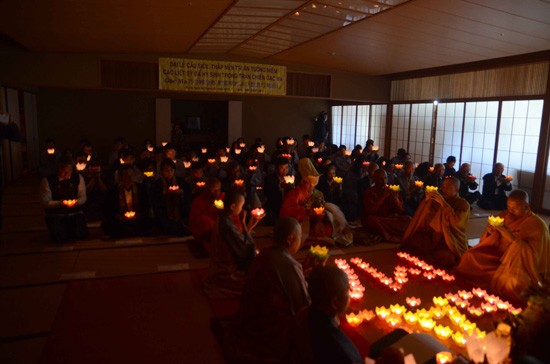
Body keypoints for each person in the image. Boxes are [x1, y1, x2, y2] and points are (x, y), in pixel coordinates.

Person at [225, 216, 310, 363]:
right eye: (299, 236)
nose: (301, 240)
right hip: (269, 333)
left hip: (249, 324)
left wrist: (304, 273)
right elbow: (302, 305)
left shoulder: (264, 253)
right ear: (289, 239)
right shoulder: (289, 265)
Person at [455, 190, 549, 302]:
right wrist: (490, 232)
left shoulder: (537, 225)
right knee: (469, 256)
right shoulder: (505, 215)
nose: (510, 211)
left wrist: (511, 238)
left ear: (526, 207)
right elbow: (488, 242)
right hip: (497, 255)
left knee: (512, 282)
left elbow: (534, 257)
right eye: (509, 207)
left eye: (514, 208)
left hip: (518, 264)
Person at [290, 266, 362, 364]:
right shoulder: (339, 348)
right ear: (335, 303)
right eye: (348, 291)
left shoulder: (303, 314)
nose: (350, 296)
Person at [204, 190, 263, 299]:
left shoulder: (224, 218)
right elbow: (246, 248)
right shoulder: (226, 224)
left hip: (220, 266)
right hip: (227, 272)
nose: (242, 209)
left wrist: (248, 225)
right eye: (241, 206)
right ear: (232, 207)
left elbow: (240, 242)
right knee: (259, 282)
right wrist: (245, 225)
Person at [401, 177, 469, 267]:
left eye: (448, 187)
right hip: (433, 238)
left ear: (457, 189)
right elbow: (425, 219)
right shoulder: (438, 200)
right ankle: (432, 253)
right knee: (413, 239)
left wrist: (443, 204)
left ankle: (433, 254)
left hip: (450, 241)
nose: (444, 189)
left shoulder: (463, 204)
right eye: (443, 186)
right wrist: (428, 202)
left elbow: (456, 223)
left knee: (446, 257)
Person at [40, 157, 88, 243]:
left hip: (74, 213)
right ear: (58, 169)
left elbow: (83, 197)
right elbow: (45, 202)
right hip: (56, 215)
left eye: (68, 172)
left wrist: (77, 202)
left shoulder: (78, 178)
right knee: (60, 236)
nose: (66, 174)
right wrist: (60, 203)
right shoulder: (48, 181)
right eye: (63, 171)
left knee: (81, 234)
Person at [101, 165, 153, 238]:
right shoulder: (112, 191)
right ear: (121, 177)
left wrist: (138, 214)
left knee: (149, 222)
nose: (129, 178)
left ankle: (130, 231)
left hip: (137, 219)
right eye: (126, 176)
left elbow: (146, 205)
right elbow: (108, 209)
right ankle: (129, 231)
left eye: (131, 175)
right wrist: (119, 216)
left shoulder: (140, 188)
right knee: (109, 225)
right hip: (120, 220)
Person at [362, 169, 411, 243]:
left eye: (385, 178)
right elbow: (370, 211)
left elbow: (400, 211)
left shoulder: (390, 190)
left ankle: (386, 234)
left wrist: (396, 199)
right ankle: (390, 235)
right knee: (371, 221)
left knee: (408, 220)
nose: (384, 181)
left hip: (389, 219)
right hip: (378, 219)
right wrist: (383, 196)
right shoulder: (369, 191)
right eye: (381, 178)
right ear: (375, 179)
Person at [189, 177, 222, 257]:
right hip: (206, 232)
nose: (217, 192)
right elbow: (195, 221)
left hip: (221, 230)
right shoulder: (198, 202)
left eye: (218, 189)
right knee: (204, 220)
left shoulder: (222, 198)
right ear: (207, 190)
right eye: (214, 190)